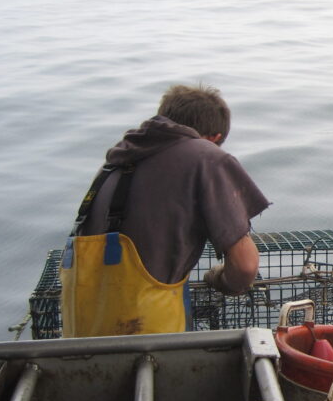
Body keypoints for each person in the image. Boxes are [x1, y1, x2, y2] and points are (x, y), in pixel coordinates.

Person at [60, 83, 270, 337]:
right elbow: (245, 267)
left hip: (80, 334)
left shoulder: (116, 162)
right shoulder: (206, 157)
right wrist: (219, 279)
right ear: (213, 138)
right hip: (147, 339)